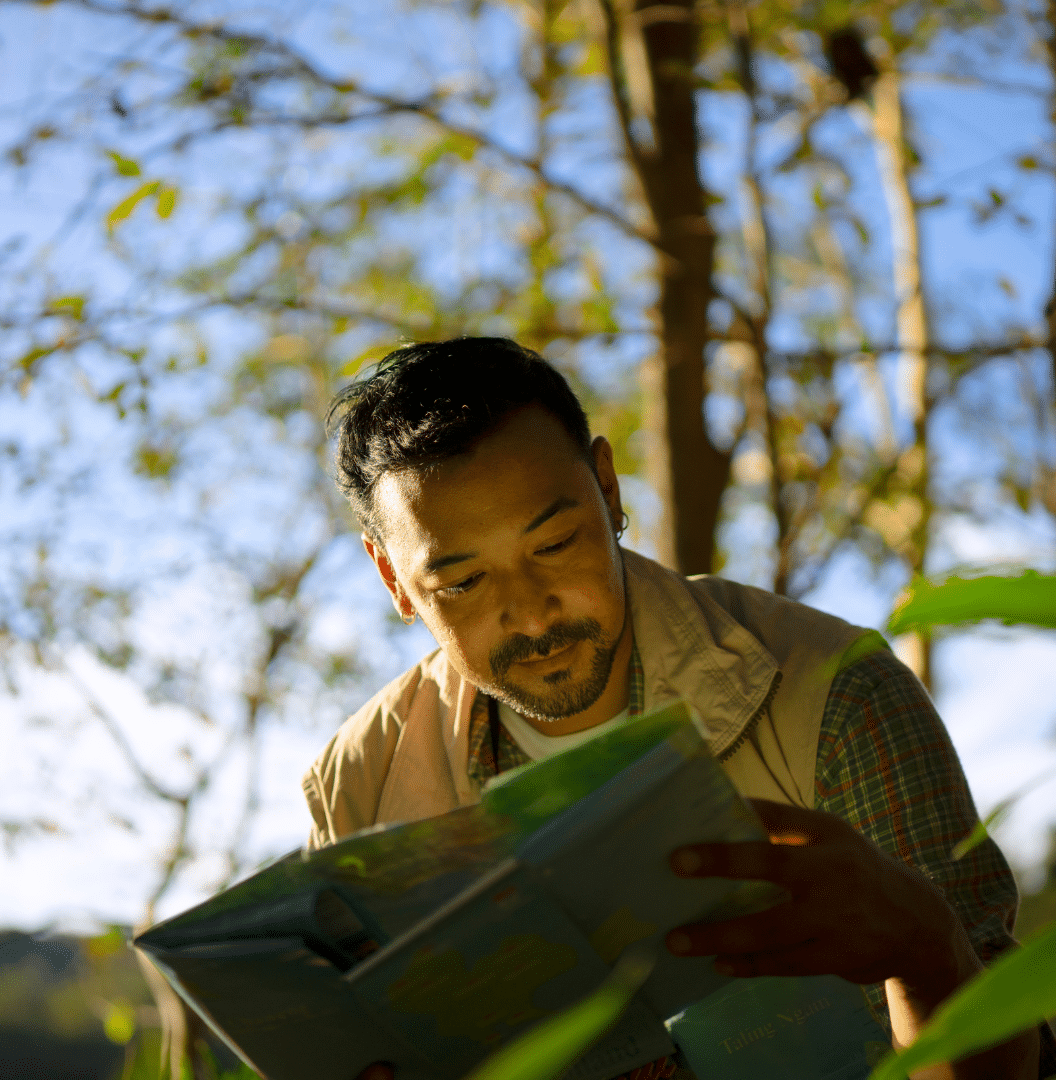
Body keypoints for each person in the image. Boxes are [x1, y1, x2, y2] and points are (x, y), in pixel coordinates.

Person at [303, 337, 1055, 1080]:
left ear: (608, 490)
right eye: (464, 583)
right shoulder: (359, 788)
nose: (531, 615)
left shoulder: (834, 692)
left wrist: (927, 953)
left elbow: (1009, 1065)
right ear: (393, 580)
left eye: (555, 544)